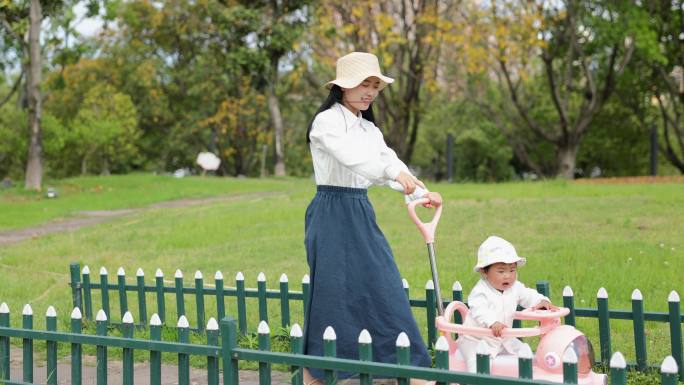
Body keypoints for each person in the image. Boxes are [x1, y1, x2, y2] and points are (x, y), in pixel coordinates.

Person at [303, 51, 442, 383]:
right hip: (330, 211)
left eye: (375, 86)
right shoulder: (326, 123)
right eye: (363, 84)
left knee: (384, 284)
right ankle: (317, 374)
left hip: (359, 209)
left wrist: (420, 193)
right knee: (332, 291)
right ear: (342, 87)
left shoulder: (369, 129)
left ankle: (413, 370)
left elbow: (386, 158)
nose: (369, 92)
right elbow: (356, 160)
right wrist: (394, 173)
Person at [458, 235, 559, 373]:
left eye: (512, 270)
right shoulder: (480, 291)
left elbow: (527, 294)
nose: (508, 276)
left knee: (525, 355)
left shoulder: (515, 287)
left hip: (503, 339)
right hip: (476, 340)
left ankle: (530, 376)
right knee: (477, 365)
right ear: (484, 271)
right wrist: (492, 322)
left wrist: (541, 301)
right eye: (501, 271)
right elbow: (479, 309)